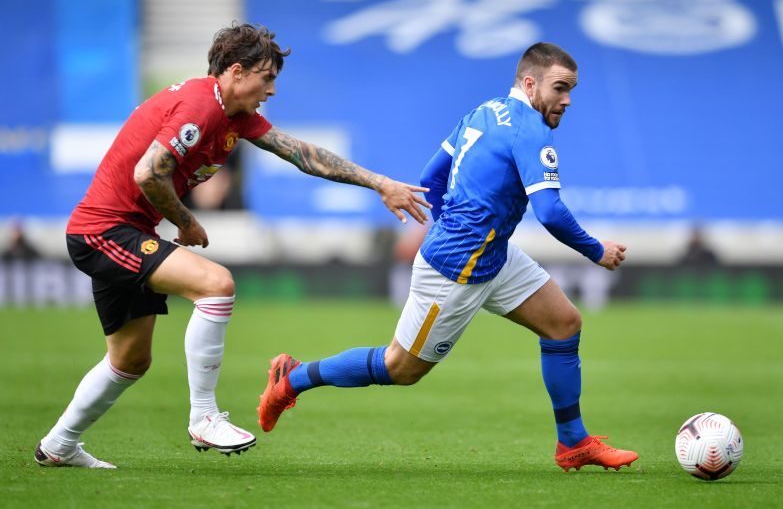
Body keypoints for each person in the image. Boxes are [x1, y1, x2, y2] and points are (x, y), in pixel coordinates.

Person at [34, 23, 430, 469]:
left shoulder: (232, 114)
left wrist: (378, 183)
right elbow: (148, 173)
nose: (273, 90)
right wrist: (185, 222)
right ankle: (203, 417)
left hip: (126, 231)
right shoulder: (201, 107)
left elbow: (300, 153)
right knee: (216, 284)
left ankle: (59, 445)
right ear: (237, 72)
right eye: (267, 77)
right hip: (104, 232)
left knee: (129, 361)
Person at [258, 42, 639, 472]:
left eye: (572, 89)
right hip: (457, 268)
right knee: (399, 368)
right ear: (529, 83)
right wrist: (597, 250)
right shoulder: (530, 129)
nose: (567, 99)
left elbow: (431, 175)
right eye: (560, 88)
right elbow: (549, 212)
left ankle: (573, 442)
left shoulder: (484, 111)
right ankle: (291, 379)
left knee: (564, 324)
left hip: (491, 254)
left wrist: (447, 221)